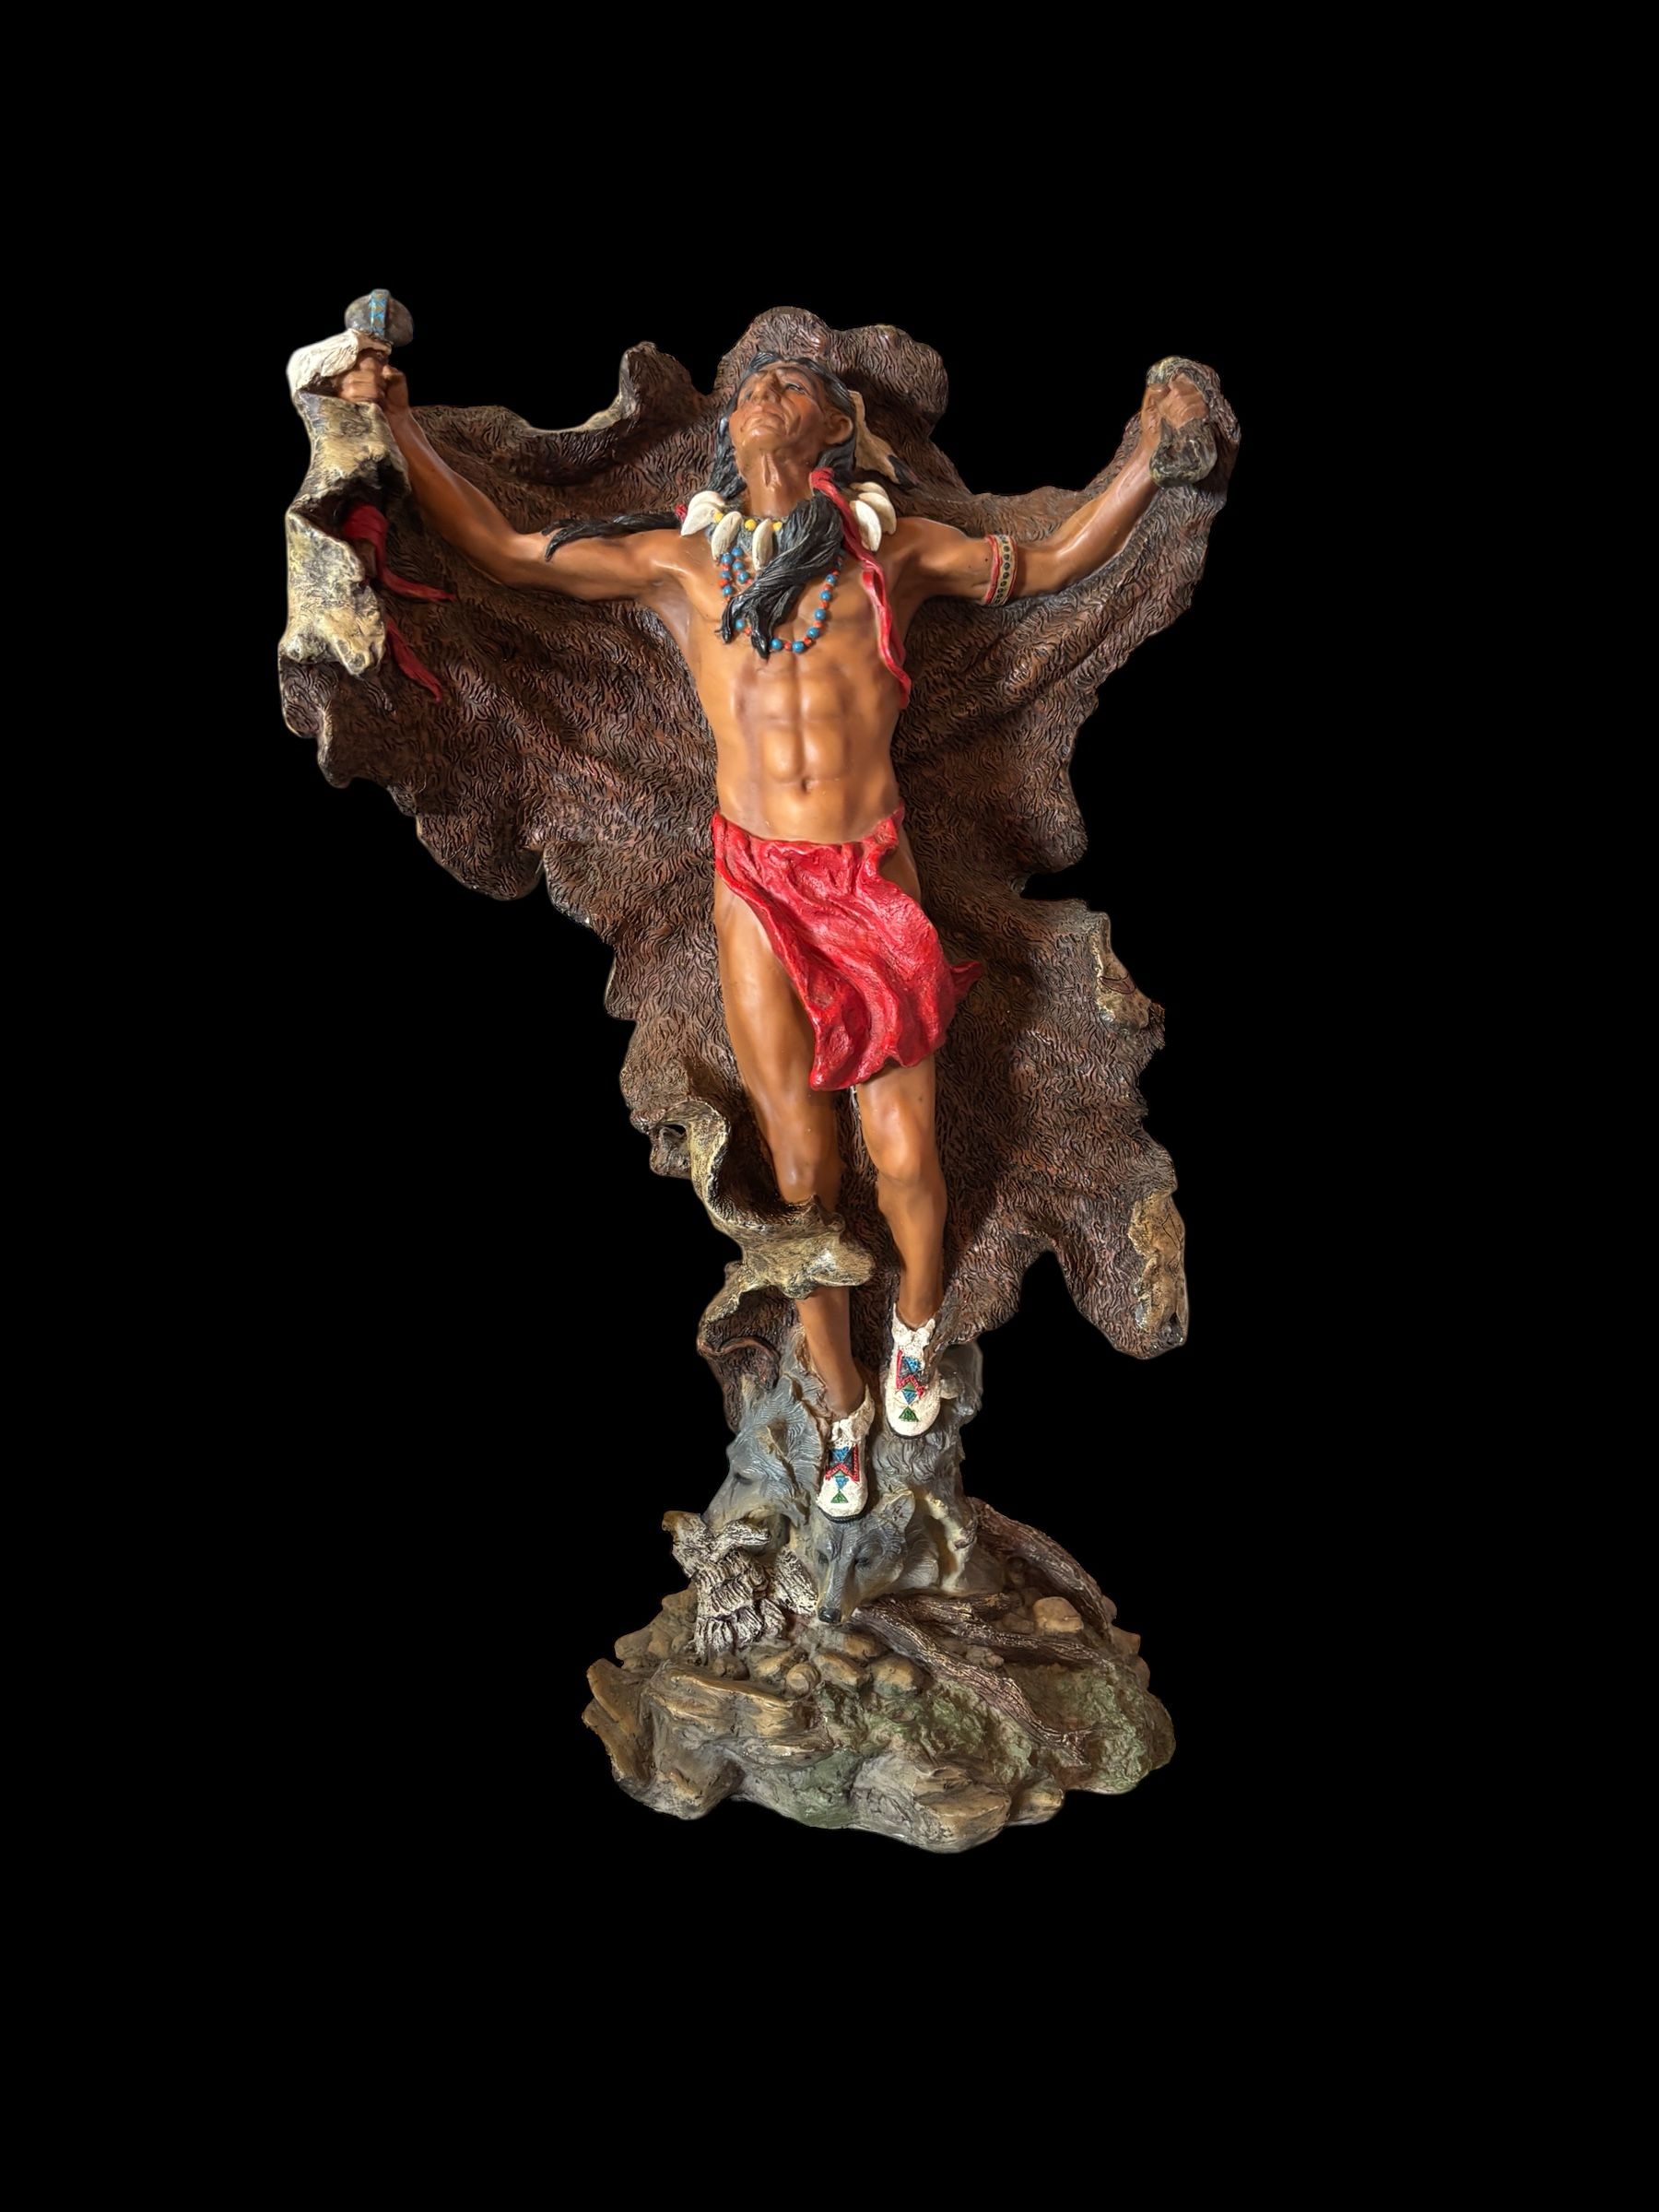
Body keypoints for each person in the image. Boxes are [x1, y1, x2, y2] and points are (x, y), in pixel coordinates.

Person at [335, 345, 1208, 1519]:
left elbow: (1047, 561)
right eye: (750, 387)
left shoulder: (891, 556)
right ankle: (839, 1404)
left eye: (791, 386)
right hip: (752, 884)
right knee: (800, 1172)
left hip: (871, 879)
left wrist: (1149, 453)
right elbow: (503, 550)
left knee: (906, 1155)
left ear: (835, 429)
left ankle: (916, 1331)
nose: (761, 393)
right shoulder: (685, 564)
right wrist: (397, 427)